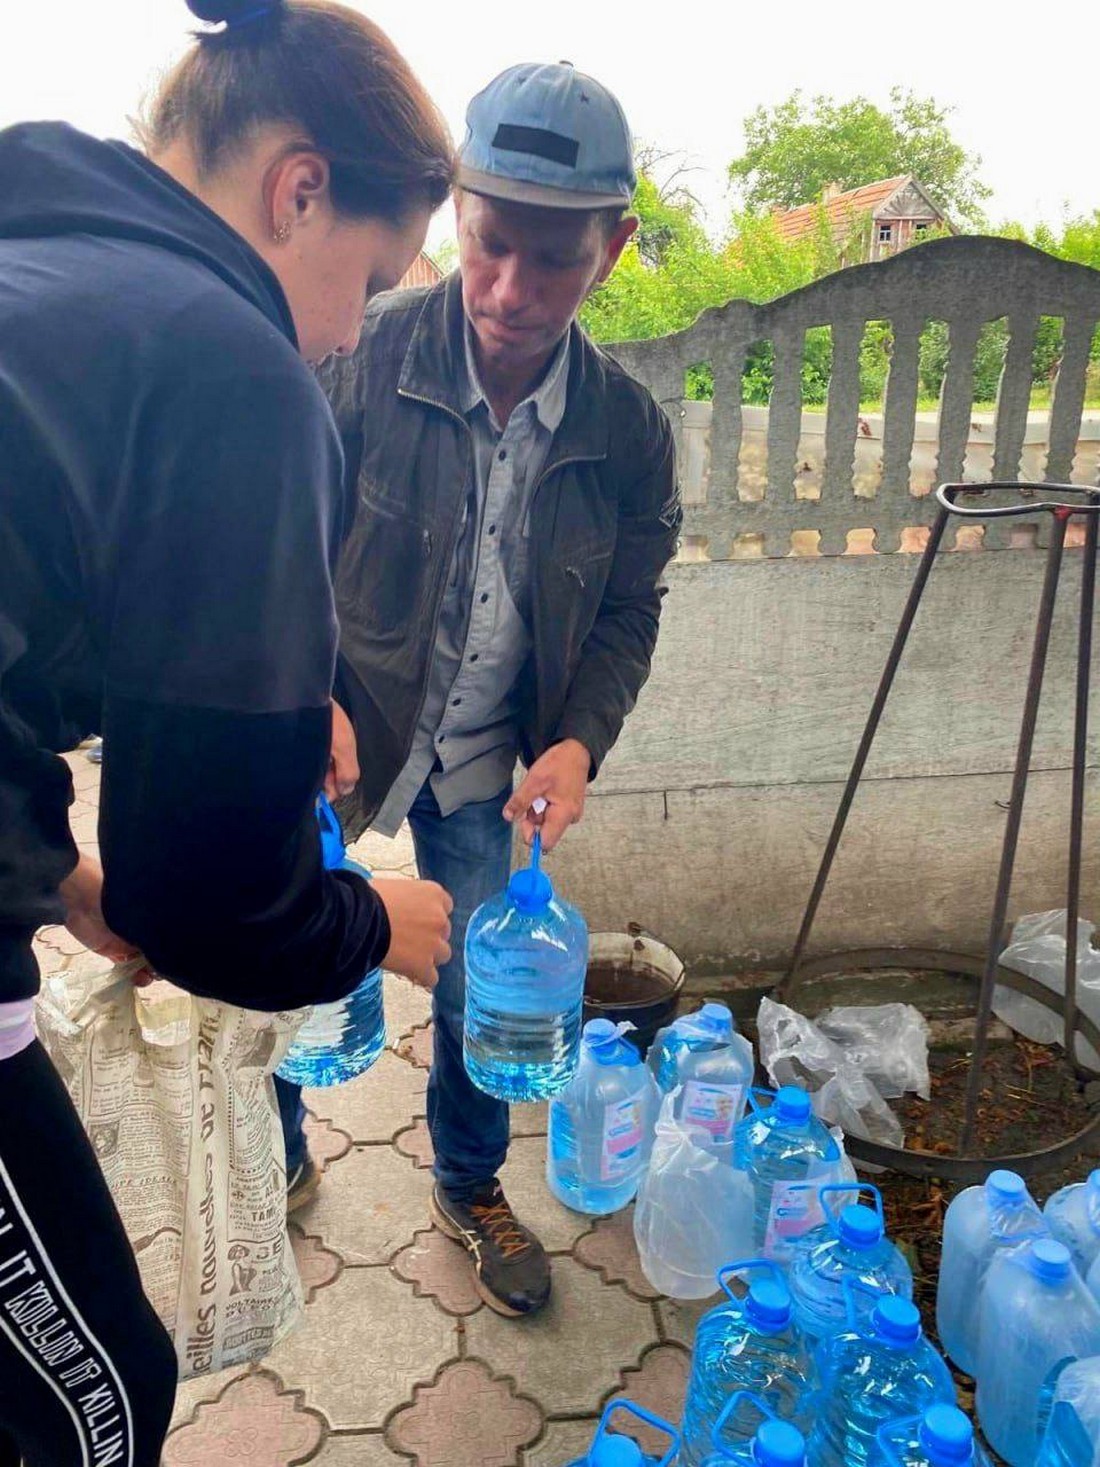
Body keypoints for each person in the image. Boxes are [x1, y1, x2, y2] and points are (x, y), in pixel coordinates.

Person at [0, 1, 455, 1460]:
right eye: (368, 283)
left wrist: (61, 876)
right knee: (90, 1392)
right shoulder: (226, 357)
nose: (342, 333)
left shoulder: (44, 264)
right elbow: (214, 904)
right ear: (299, 187)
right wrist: (376, 922)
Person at [278, 60, 682, 1318]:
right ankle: (276, 1151)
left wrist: (576, 744)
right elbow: (266, 540)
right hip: (327, 738)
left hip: (478, 763)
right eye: (490, 244)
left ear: (611, 249)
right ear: (455, 210)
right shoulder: (353, 349)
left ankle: (466, 1184)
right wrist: (300, 693)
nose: (508, 291)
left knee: (472, 980)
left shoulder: (624, 429)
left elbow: (627, 606)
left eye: (551, 261)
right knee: (286, 949)